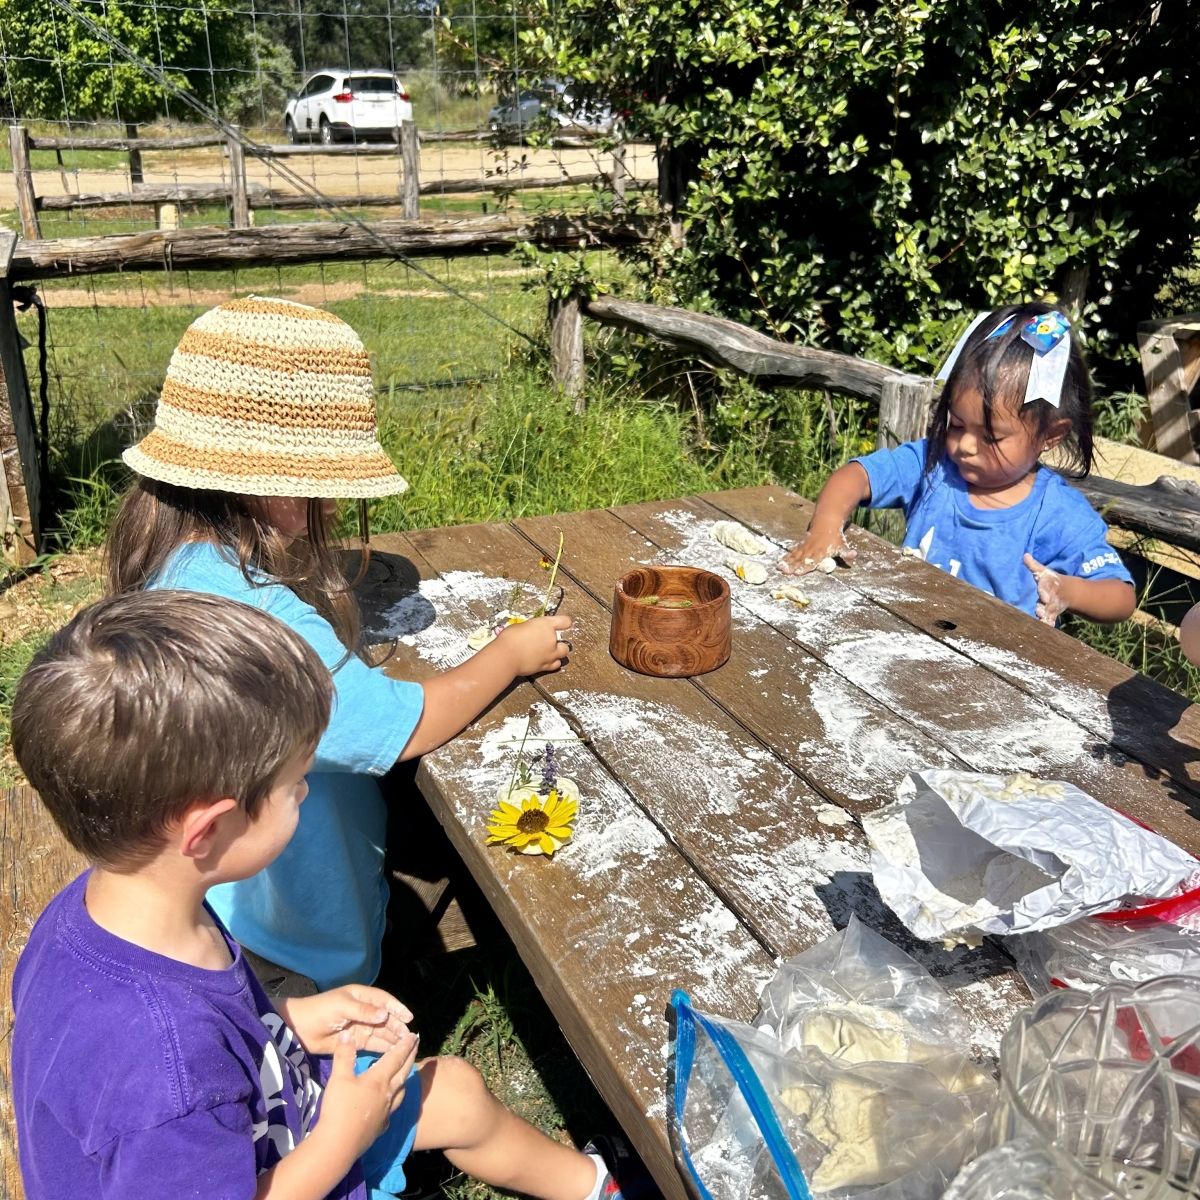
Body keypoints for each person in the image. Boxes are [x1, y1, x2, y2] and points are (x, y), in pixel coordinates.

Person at [10, 590, 643, 1200]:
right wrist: (343, 1136)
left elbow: (212, 1029)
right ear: (208, 829)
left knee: (453, 1090)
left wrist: (289, 1023)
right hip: (289, 1162)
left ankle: (594, 1186)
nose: (306, 794)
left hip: (273, 1120)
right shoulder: (160, 1072)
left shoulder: (119, 908)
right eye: (295, 784)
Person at [105, 295, 572, 994]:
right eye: (320, 484)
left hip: (233, 900)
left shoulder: (178, 563)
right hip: (292, 948)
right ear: (257, 479)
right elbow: (399, 723)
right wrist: (510, 652)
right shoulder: (257, 624)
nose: (330, 506)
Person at [779, 303, 1136, 625]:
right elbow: (855, 476)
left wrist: (1068, 590)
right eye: (957, 424)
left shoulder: (1057, 512)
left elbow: (1120, 597)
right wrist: (826, 526)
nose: (964, 445)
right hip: (904, 636)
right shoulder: (933, 465)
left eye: (991, 437)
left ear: (1050, 436)